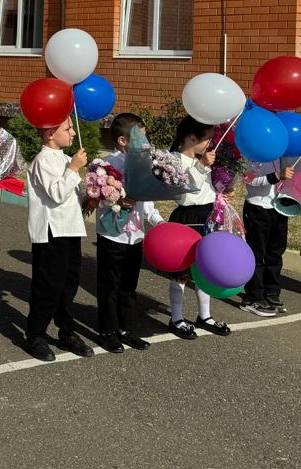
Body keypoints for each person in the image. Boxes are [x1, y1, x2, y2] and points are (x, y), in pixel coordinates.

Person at [92, 113, 162, 353]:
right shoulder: (105, 166)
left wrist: (158, 221)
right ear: (123, 141)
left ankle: (127, 329)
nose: (145, 140)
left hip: (135, 235)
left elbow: (148, 201)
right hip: (113, 234)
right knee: (109, 285)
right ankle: (108, 331)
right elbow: (97, 198)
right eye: (140, 135)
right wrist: (120, 198)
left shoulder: (145, 164)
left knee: (129, 285)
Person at [24, 116, 91, 362]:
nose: (73, 133)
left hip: (70, 229)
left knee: (69, 284)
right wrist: (74, 169)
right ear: (51, 133)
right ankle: (36, 335)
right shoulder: (43, 160)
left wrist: (91, 194)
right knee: (48, 285)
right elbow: (56, 193)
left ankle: (66, 330)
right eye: (68, 128)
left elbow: (73, 197)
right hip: (51, 231)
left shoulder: (64, 159)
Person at [164, 117, 232, 340]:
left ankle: (205, 315)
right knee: (181, 271)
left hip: (207, 215)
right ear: (192, 138)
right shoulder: (171, 160)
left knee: (204, 268)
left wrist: (221, 192)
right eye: (207, 139)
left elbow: (206, 189)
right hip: (187, 216)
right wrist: (202, 166)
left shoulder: (201, 159)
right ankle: (176, 318)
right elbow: (182, 191)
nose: (210, 145)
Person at [239, 158, 297, 318]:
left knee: (275, 253)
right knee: (256, 254)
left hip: (278, 207)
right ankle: (252, 297)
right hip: (257, 208)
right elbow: (249, 179)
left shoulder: (282, 153)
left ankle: (271, 293)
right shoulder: (251, 152)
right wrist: (277, 175)